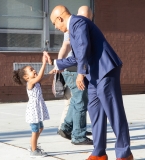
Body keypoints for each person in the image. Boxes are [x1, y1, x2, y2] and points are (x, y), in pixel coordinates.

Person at [45, 5, 134, 160]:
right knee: (95, 113)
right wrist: (57, 63)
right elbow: (78, 55)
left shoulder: (78, 23)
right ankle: (99, 153)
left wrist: (80, 73)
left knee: (114, 112)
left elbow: (84, 48)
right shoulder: (74, 28)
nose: (56, 27)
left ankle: (124, 154)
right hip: (93, 75)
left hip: (105, 71)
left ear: (60, 18)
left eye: (54, 23)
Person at [48, 6, 93, 145]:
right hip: (73, 69)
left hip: (73, 68)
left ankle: (66, 128)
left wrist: (60, 65)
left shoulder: (78, 24)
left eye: (88, 18)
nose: (85, 21)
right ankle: (78, 135)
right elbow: (66, 47)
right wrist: (59, 66)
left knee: (75, 100)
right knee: (80, 101)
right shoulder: (74, 25)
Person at [12, 55, 49, 158]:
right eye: (31, 70)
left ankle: (32, 145)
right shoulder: (30, 82)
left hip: (38, 110)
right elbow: (41, 77)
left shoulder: (37, 82)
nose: (34, 70)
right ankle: (34, 151)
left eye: (33, 69)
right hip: (33, 111)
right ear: (26, 77)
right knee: (35, 131)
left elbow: (44, 77)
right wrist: (44, 63)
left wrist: (53, 71)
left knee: (40, 128)